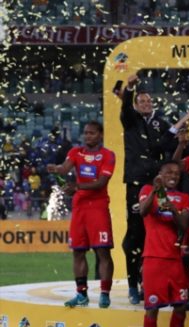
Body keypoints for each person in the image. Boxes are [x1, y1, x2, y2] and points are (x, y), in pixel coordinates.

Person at [120, 73, 176, 304]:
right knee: (135, 234)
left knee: (156, 231)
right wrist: (129, 88)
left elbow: (169, 150)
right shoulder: (130, 121)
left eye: (148, 101)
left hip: (156, 185)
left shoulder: (161, 124)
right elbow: (125, 106)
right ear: (135, 104)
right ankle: (133, 285)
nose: (146, 104)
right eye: (141, 101)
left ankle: (150, 283)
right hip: (135, 185)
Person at [46, 121, 115, 308]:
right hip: (79, 207)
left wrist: (77, 186)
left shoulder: (108, 155)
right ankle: (81, 294)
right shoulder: (76, 152)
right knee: (78, 251)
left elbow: (101, 183)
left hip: (98, 207)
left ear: (100, 134)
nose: (87, 136)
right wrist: (56, 169)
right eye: (85, 133)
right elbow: (64, 168)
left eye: (92, 133)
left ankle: (105, 293)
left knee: (102, 251)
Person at [138, 160, 189, 327]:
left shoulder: (184, 197)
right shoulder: (147, 190)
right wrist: (156, 191)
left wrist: (174, 209)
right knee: (152, 308)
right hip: (153, 258)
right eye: (168, 172)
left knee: (181, 306)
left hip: (175, 259)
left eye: (176, 173)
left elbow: (184, 225)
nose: (173, 176)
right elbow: (142, 211)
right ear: (160, 173)